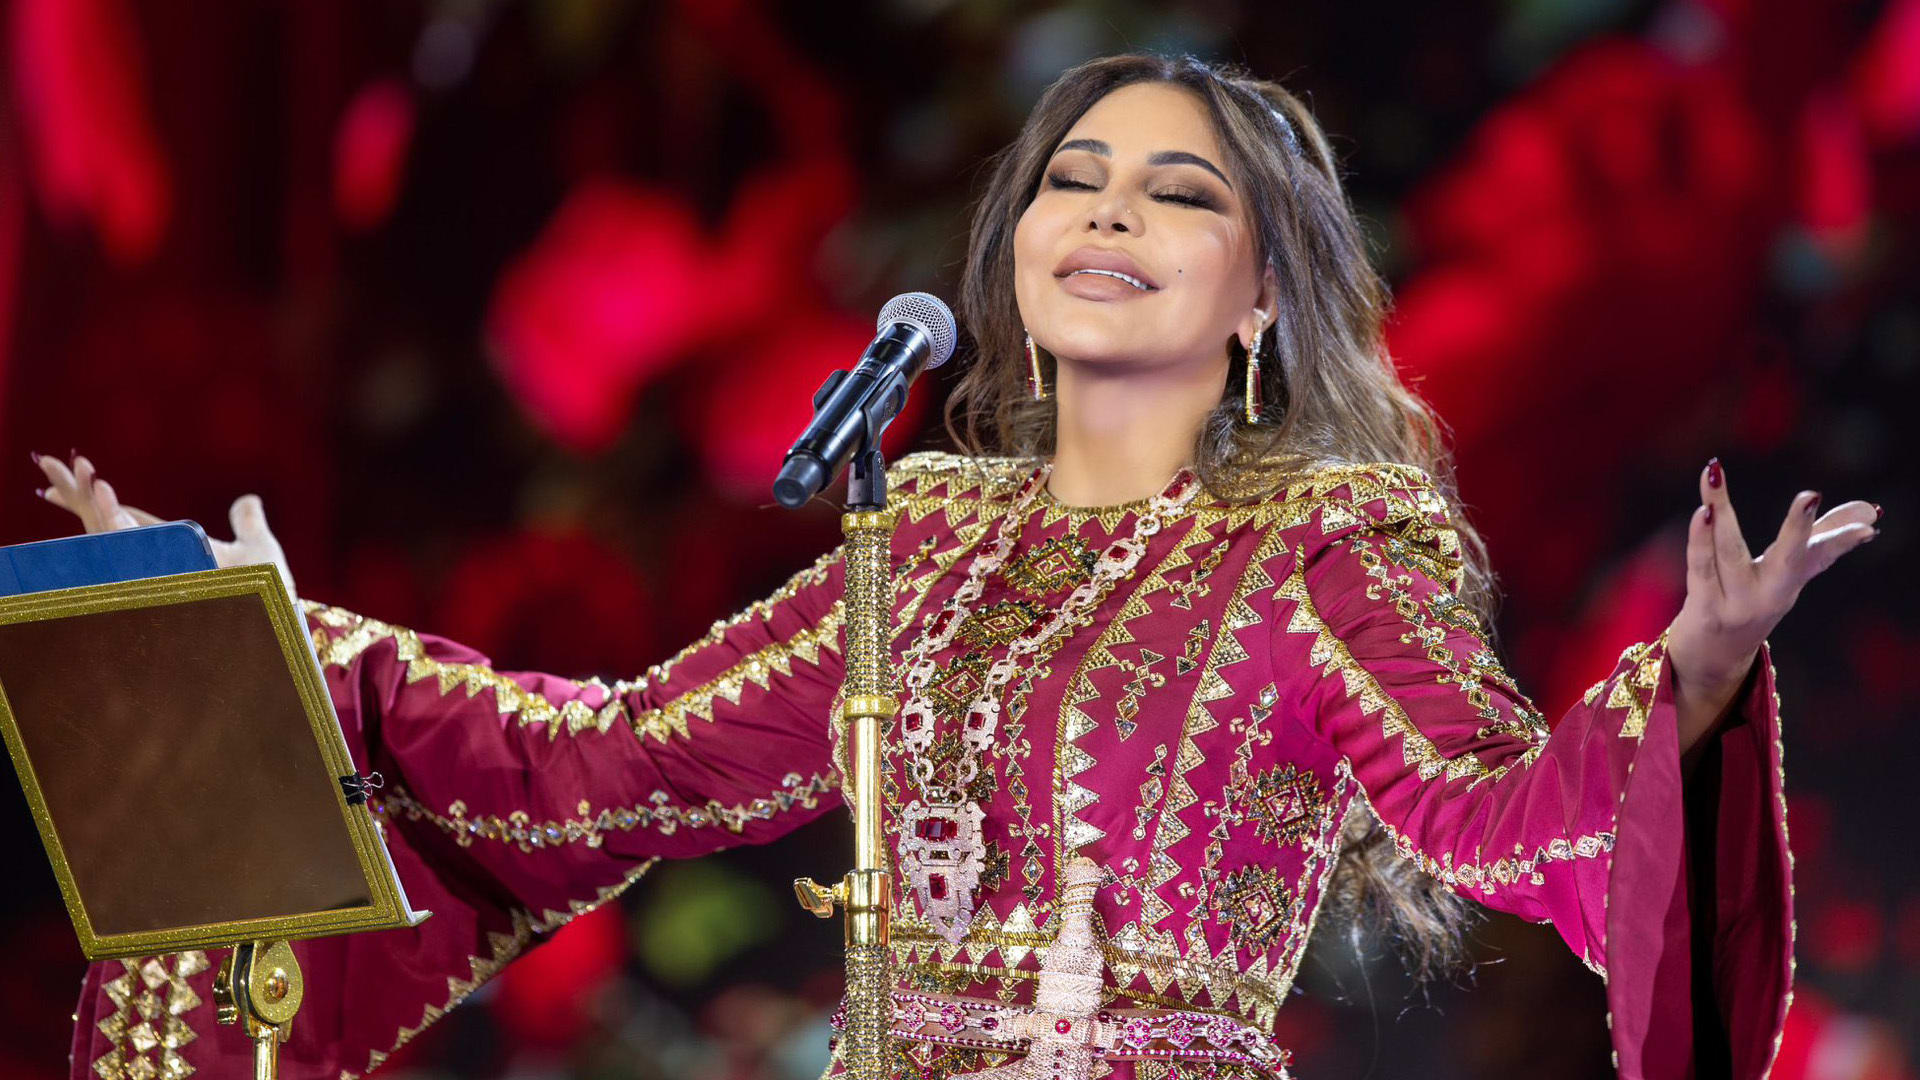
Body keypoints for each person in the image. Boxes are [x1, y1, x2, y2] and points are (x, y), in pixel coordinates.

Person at [42, 53, 1878, 1080]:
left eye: (1181, 193)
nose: (1111, 211)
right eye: (1078, 178)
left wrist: (1701, 673)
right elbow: (610, 765)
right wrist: (239, 637)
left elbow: (1492, 819)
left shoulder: (1317, 557)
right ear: (1013, 251)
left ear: (1261, 301)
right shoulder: (917, 548)